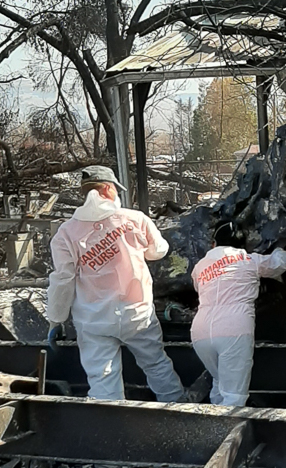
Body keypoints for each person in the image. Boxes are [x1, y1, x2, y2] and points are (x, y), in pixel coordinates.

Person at [45, 165, 185, 401]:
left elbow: (63, 279)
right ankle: (179, 411)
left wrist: (56, 318)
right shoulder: (135, 219)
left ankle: (111, 420)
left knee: (103, 378)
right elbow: (159, 251)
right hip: (136, 313)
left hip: (94, 320)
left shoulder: (66, 233)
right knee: (156, 364)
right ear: (107, 189)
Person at [190, 222, 286, 406]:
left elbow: (198, 287)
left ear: (214, 243)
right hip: (233, 331)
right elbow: (279, 264)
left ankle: (212, 421)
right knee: (234, 395)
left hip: (200, 332)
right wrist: (279, 248)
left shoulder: (200, 266)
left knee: (219, 380)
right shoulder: (249, 260)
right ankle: (227, 423)